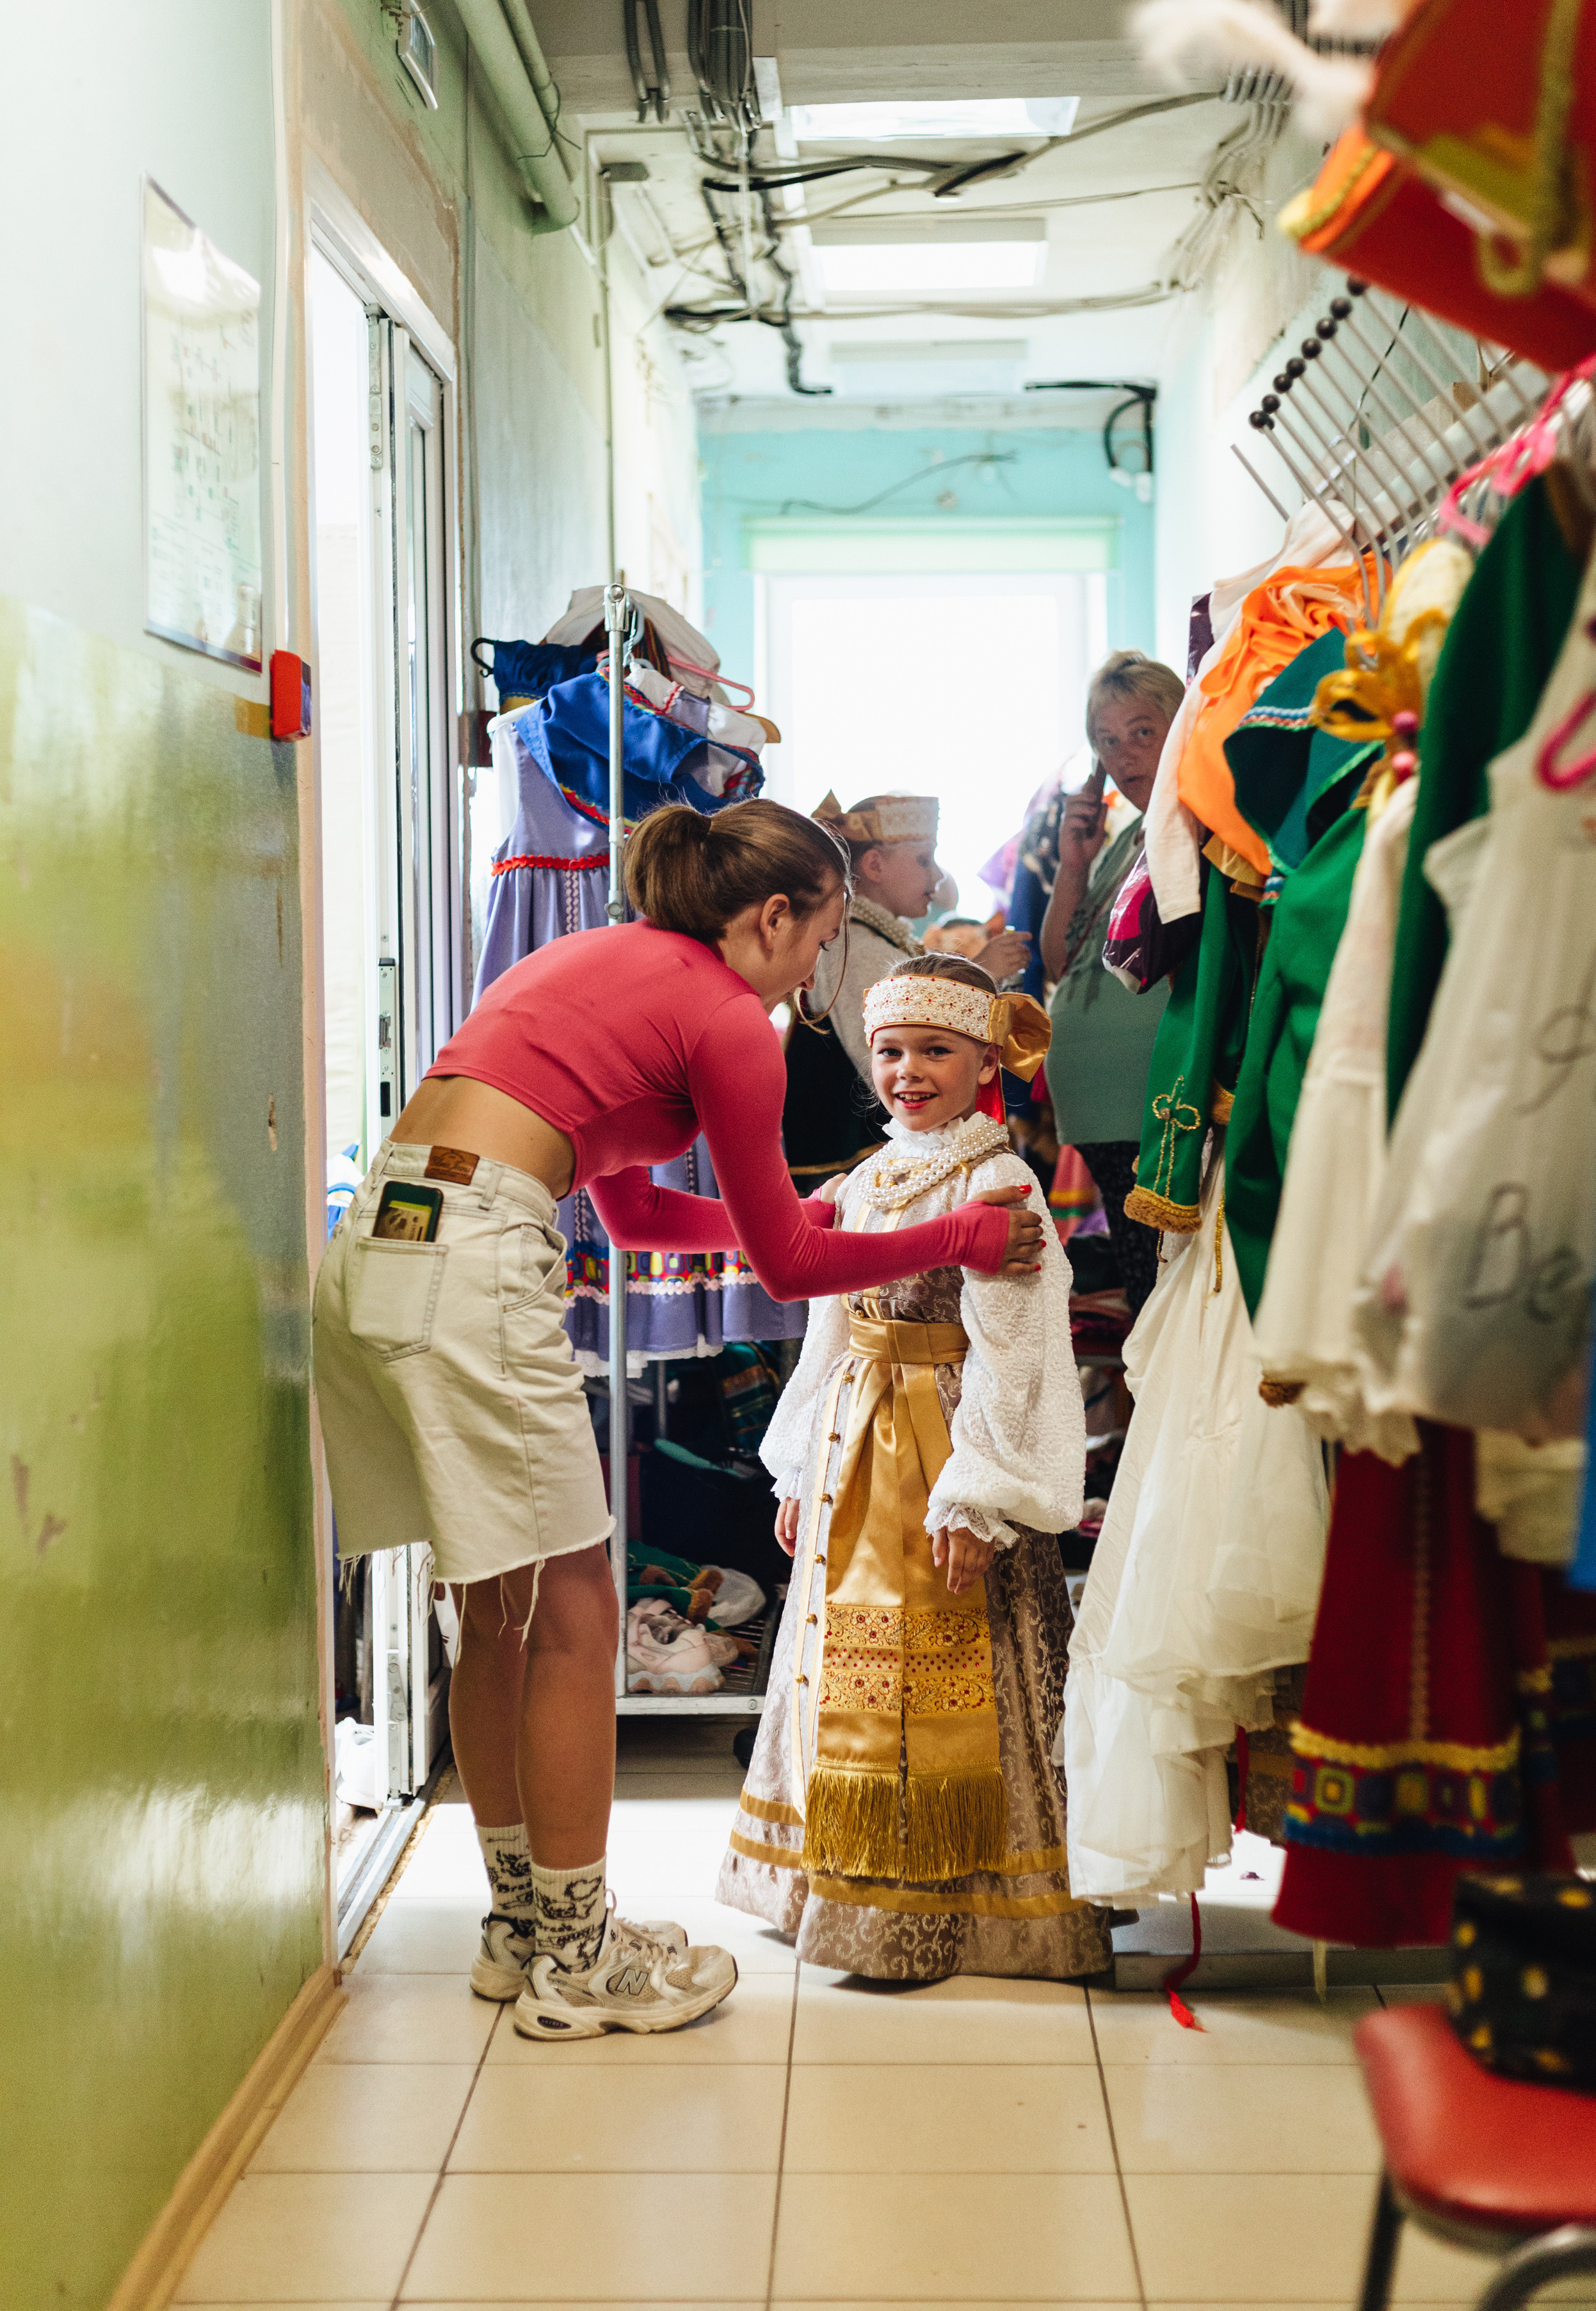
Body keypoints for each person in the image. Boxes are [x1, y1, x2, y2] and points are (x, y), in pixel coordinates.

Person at [311, 800, 1045, 2043]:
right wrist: (955, 1236)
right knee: (578, 1608)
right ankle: (584, 1959)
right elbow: (790, 1267)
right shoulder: (724, 1018)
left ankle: (524, 1926)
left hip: (389, 1238)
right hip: (477, 1258)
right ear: (771, 916)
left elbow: (648, 1221)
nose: (820, 968)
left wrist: (854, 1228)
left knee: (499, 1607)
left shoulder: (592, 960)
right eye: (817, 940)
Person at [719, 954, 1110, 1981]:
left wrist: (978, 1494)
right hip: (857, 1436)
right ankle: (835, 1879)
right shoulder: (872, 1173)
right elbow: (828, 1330)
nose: (907, 1071)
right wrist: (800, 1464)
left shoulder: (998, 1179)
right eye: (890, 1051)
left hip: (941, 1444)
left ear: (985, 1060)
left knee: (938, 1668)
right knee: (843, 1662)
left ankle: (947, 1909)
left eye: (935, 1050)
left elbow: (1018, 1349)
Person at [782, 793, 1031, 1190]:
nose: (936, 877)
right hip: (850, 1158)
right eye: (923, 860)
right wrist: (981, 972)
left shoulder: (875, 936)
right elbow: (880, 1052)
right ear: (875, 865)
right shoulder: (855, 943)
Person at [1040, 651, 1185, 1317]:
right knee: (1146, 1290)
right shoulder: (1129, 840)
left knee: (1162, 1296)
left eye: (1141, 732)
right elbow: (1057, 962)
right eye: (1107, 741)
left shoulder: (1191, 822)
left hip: (1154, 1101)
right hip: (1105, 1112)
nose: (1124, 756)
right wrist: (1074, 865)